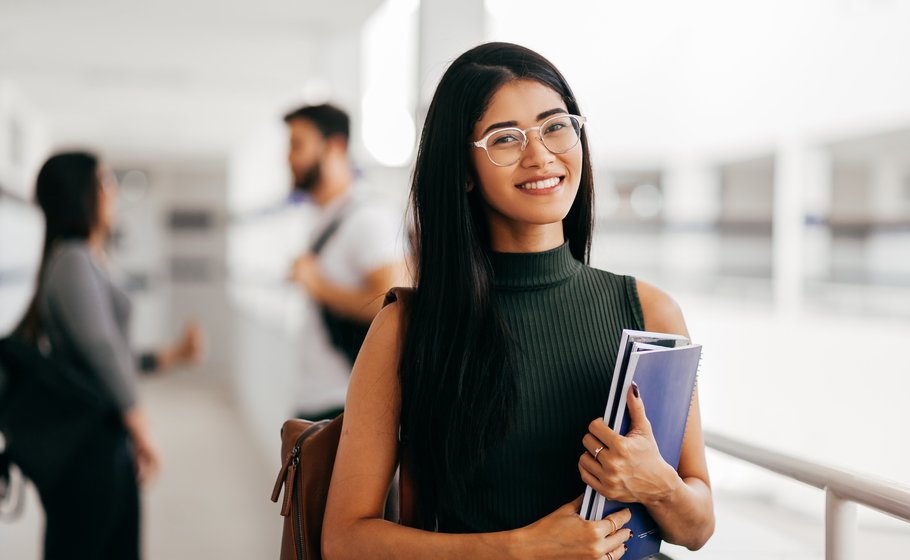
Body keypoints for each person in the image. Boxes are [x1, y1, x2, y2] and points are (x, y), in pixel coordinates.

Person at [322, 42, 714, 559]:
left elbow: (697, 528)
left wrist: (655, 483)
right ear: (463, 170)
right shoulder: (405, 329)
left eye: (556, 126)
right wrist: (521, 549)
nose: (540, 154)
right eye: (505, 139)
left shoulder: (651, 311)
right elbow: (344, 538)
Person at [13, 152, 203, 559]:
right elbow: (101, 350)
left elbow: (111, 352)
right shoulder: (73, 260)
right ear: (83, 194)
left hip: (101, 436)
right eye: (105, 182)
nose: (113, 192)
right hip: (89, 446)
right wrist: (141, 426)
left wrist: (172, 356)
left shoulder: (84, 260)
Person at [285, 103, 407, 419]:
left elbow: (394, 305)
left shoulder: (369, 218)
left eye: (298, 145)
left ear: (335, 146)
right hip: (319, 398)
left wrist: (318, 286)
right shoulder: (324, 218)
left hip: (347, 403)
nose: (289, 158)